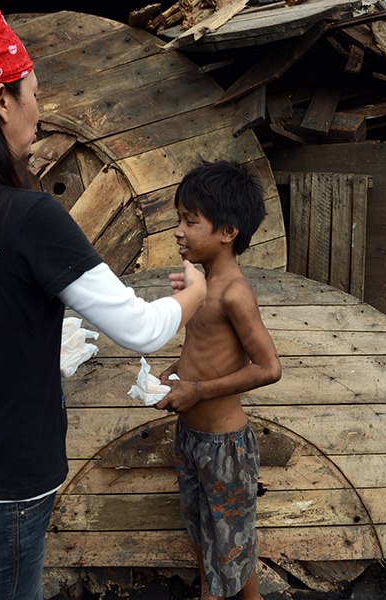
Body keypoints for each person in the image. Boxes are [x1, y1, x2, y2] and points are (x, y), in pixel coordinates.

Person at [0, 8, 205, 599]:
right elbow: (144, 330)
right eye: (35, 94)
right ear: (2, 100)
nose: (40, 111)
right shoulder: (31, 216)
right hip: (7, 492)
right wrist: (196, 293)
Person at [154, 161, 282, 600]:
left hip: (225, 445)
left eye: (190, 221)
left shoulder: (234, 293)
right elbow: (204, 346)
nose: (178, 231)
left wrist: (198, 391)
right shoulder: (201, 285)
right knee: (205, 530)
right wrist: (175, 372)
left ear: (227, 232)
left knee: (230, 538)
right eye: (179, 219)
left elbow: (269, 367)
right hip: (191, 437)